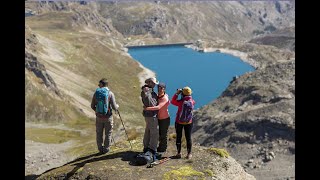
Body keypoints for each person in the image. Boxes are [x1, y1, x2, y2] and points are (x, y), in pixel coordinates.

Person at [91, 78, 119, 154]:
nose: (98, 85)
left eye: (99, 84)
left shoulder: (96, 93)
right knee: (108, 133)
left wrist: (98, 112)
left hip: (99, 117)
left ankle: (100, 149)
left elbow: (92, 105)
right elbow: (114, 107)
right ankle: (106, 149)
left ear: (102, 84)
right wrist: (117, 106)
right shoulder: (110, 93)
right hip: (108, 117)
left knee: (99, 133)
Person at [144, 82, 170, 154]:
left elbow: (158, 107)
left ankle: (162, 149)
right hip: (159, 118)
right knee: (158, 133)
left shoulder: (165, 98)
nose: (159, 89)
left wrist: (147, 108)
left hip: (165, 119)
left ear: (164, 89)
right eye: (158, 88)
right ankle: (159, 147)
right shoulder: (158, 95)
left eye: (161, 88)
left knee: (163, 134)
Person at [171, 86, 195, 159]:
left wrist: (177, 93)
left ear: (183, 94)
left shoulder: (180, 102)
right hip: (189, 122)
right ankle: (189, 154)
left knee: (179, 137)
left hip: (179, 122)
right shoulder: (192, 101)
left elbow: (172, 101)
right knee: (188, 138)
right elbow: (192, 101)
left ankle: (178, 153)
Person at [141, 77, 159, 158]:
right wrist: (147, 92)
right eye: (154, 83)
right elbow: (149, 103)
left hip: (148, 114)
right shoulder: (146, 91)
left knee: (148, 131)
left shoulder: (150, 90)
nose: (155, 84)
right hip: (151, 115)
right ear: (149, 83)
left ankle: (146, 147)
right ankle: (152, 150)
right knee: (154, 133)